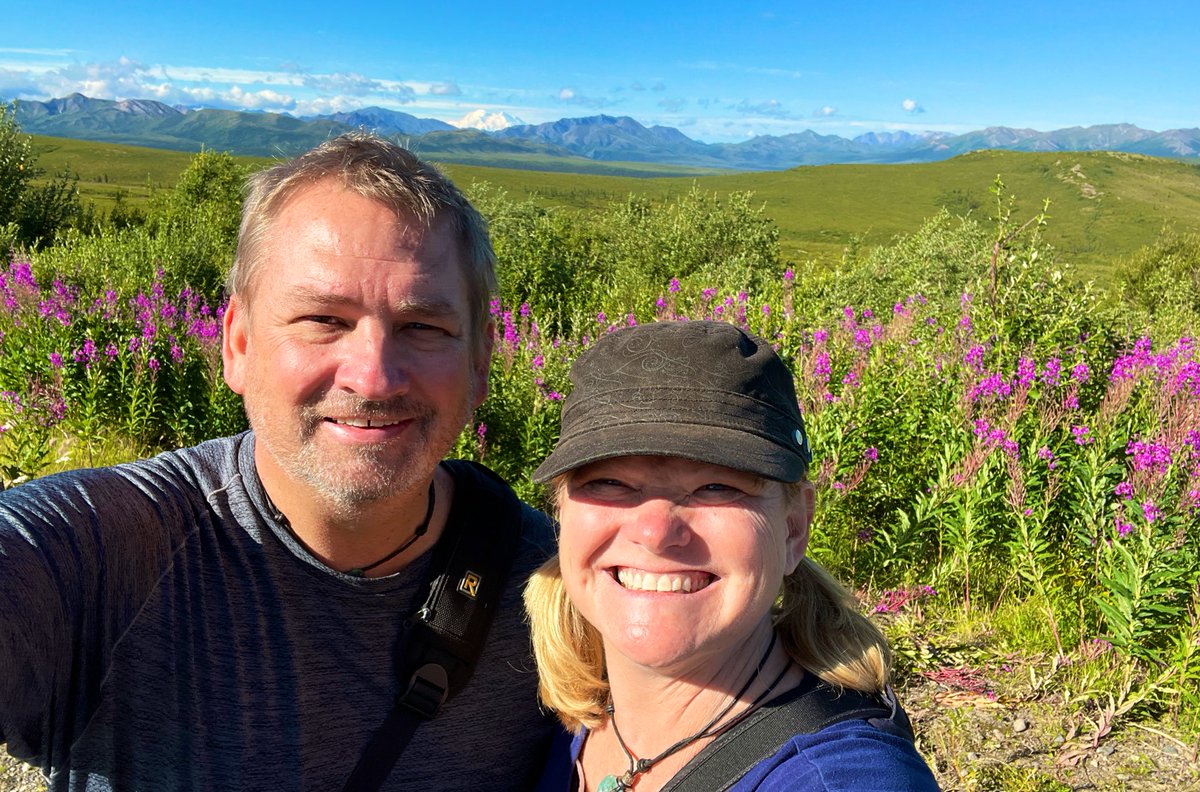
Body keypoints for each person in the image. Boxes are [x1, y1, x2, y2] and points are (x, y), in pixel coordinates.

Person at [0, 133, 555, 790]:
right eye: (323, 318)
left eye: (423, 327)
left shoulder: (555, 588)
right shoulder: (102, 553)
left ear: (481, 362)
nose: (373, 378)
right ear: (236, 345)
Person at [525, 320, 940, 791]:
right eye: (610, 482)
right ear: (560, 513)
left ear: (793, 528)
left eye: (717, 486)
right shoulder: (573, 719)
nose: (656, 531)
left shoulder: (839, 780)